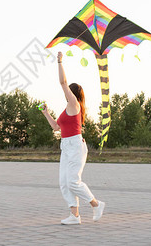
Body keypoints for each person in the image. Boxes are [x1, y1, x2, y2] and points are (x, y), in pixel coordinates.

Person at [41, 51, 105, 225]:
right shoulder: (66, 109)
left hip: (76, 146)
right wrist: (46, 113)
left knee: (73, 181)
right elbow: (56, 127)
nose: (66, 92)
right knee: (64, 182)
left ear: (73, 93)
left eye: (69, 91)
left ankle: (96, 204)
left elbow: (62, 82)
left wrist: (60, 61)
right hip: (66, 146)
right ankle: (75, 216)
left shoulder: (74, 104)